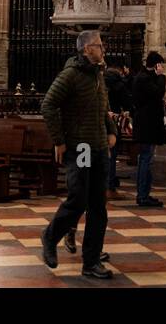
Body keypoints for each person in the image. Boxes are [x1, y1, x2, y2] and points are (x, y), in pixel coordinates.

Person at [40, 29, 116, 281]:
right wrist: (59, 140)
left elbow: (104, 106)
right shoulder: (71, 75)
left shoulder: (98, 74)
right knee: (78, 200)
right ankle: (51, 236)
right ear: (86, 49)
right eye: (99, 45)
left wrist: (112, 130)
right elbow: (48, 104)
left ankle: (91, 262)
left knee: (98, 207)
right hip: (80, 148)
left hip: (98, 148)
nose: (102, 48)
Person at [131, 50, 166, 208]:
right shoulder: (144, 79)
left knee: (146, 159)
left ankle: (144, 193)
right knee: (146, 159)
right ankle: (142, 195)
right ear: (157, 64)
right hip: (147, 125)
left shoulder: (144, 77)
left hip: (147, 125)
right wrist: (160, 76)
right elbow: (158, 93)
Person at [104, 59, 132, 196]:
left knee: (100, 155)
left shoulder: (101, 83)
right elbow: (127, 102)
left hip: (99, 123)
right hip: (113, 121)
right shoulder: (120, 85)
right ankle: (110, 187)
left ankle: (99, 185)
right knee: (112, 154)